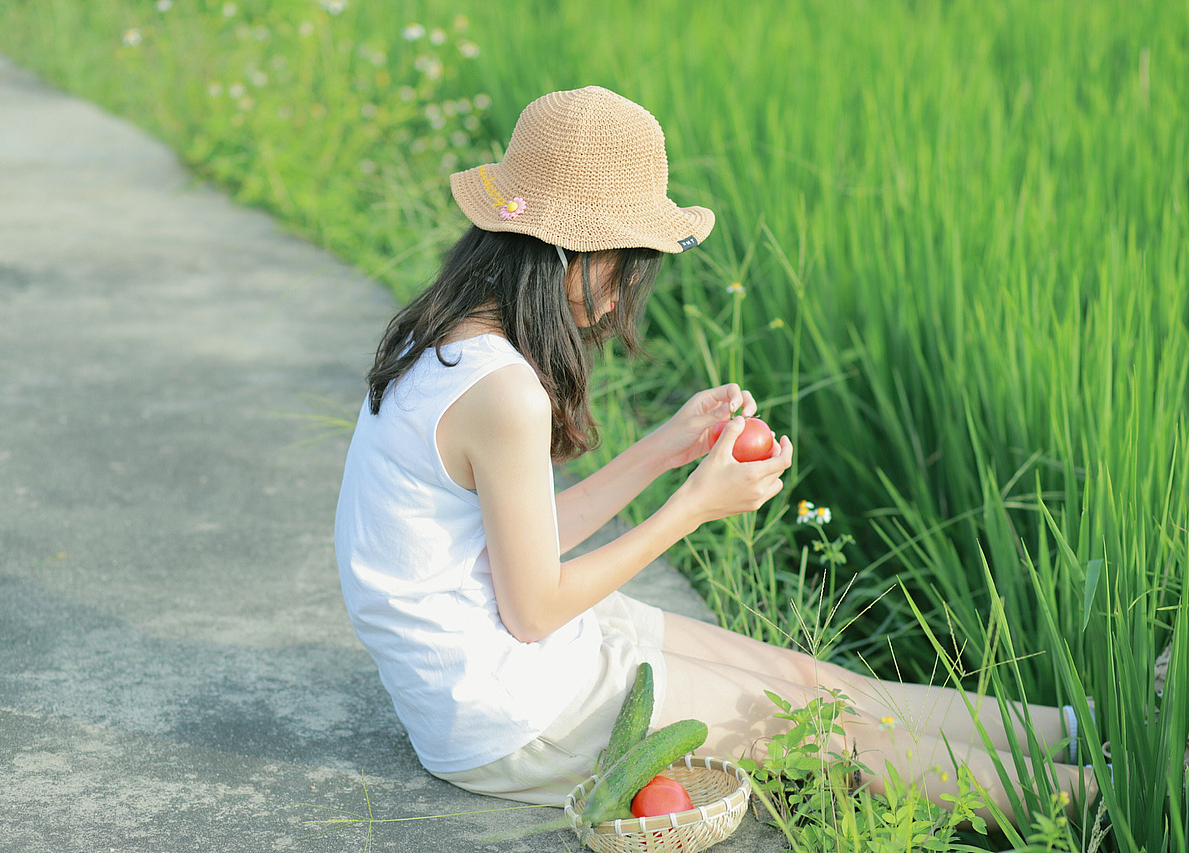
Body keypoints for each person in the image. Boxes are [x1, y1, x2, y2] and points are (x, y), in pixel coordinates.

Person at [333, 86, 1096, 822]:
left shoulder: (444, 339)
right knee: (837, 737)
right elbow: (532, 608)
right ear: (578, 253)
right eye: (632, 261)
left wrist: (662, 452)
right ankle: (1114, 793)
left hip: (501, 661)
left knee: (814, 681)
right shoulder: (503, 393)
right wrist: (694, 505)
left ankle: (1083, 724)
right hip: (510, 717)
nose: (628, 291)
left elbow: (520, 545)